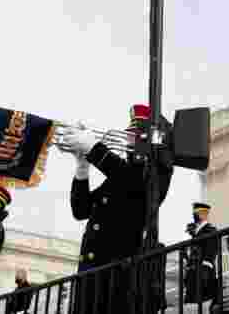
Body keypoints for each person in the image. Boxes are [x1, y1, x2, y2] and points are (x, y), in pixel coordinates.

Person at [60, 105, 174, 314]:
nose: (127, 138)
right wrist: (82, 168)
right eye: (128, 132)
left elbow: (132, 182)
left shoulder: (154, 173)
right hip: (92, 278)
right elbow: (81, 209)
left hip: (118, 282)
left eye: (134, 133)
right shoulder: (121, 173)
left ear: (148, 137)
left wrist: (93, 148)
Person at [182, 203, 219, 304]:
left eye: (197, 213)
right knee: (192, 303)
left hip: (203, 274)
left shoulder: (210, 230)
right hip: (193, 274)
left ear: (204, 214)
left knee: (203, 302)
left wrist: (205, 268)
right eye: (194, 213)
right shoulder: (196, 233)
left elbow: (210, 252)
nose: (194, 216)